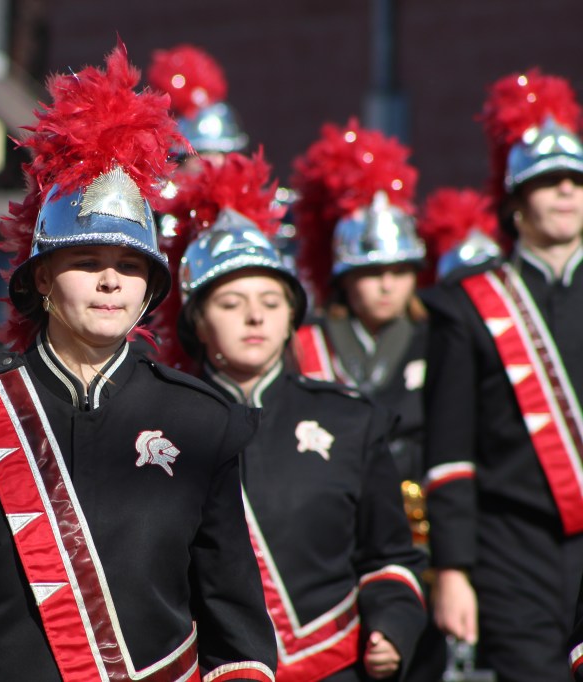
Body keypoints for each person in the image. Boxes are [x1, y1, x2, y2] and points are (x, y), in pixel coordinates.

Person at [0, 43, 277, 682]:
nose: (111, 283)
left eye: (131, 267)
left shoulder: (201, 421)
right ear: (42, 281)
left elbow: (238, 638)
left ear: (151, 290)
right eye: (87, 263)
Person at [153, 150, 426, 681]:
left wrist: (392, 625)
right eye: (231, 304)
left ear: (291, 320)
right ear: (198, 325)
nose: (255, 316)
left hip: (334, 667)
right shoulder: (162, 426)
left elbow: (389, 557)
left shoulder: (352, 421)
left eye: (272, 303)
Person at [422, 68, 583, 680]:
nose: (566, 192)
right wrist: (454, 570)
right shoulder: (467, 305)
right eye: (547, 182)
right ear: (514, 202)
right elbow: (449, 452)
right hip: (515, 548)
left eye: (575, 179)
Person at [289, 119, 428, 487]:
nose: (387, 285)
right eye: (371, 273)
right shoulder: (305, 341)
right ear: (344, 278)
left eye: (400, 271)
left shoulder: (437, 337)